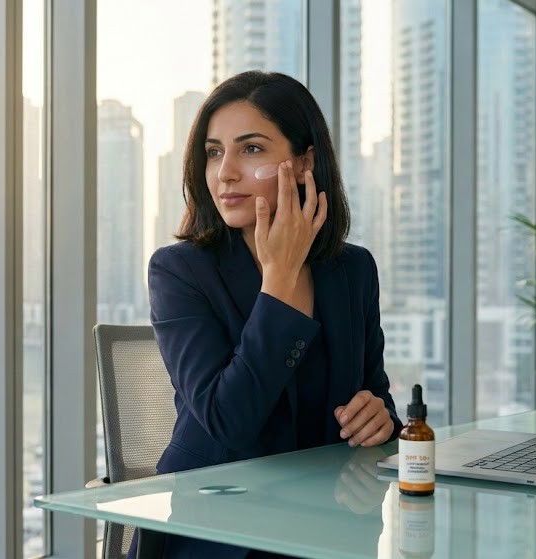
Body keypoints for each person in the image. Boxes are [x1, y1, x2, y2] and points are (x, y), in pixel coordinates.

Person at [143, 70, 403, 558]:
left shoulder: (353, 269)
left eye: (252, 149)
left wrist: (379, 420)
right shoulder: (180, 271)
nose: (225, 172)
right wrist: (279, 281)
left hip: (330, 525)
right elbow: (228, 420)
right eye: (214, 152)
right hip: (218, 532)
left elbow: (375, 395)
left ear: (304, 161)